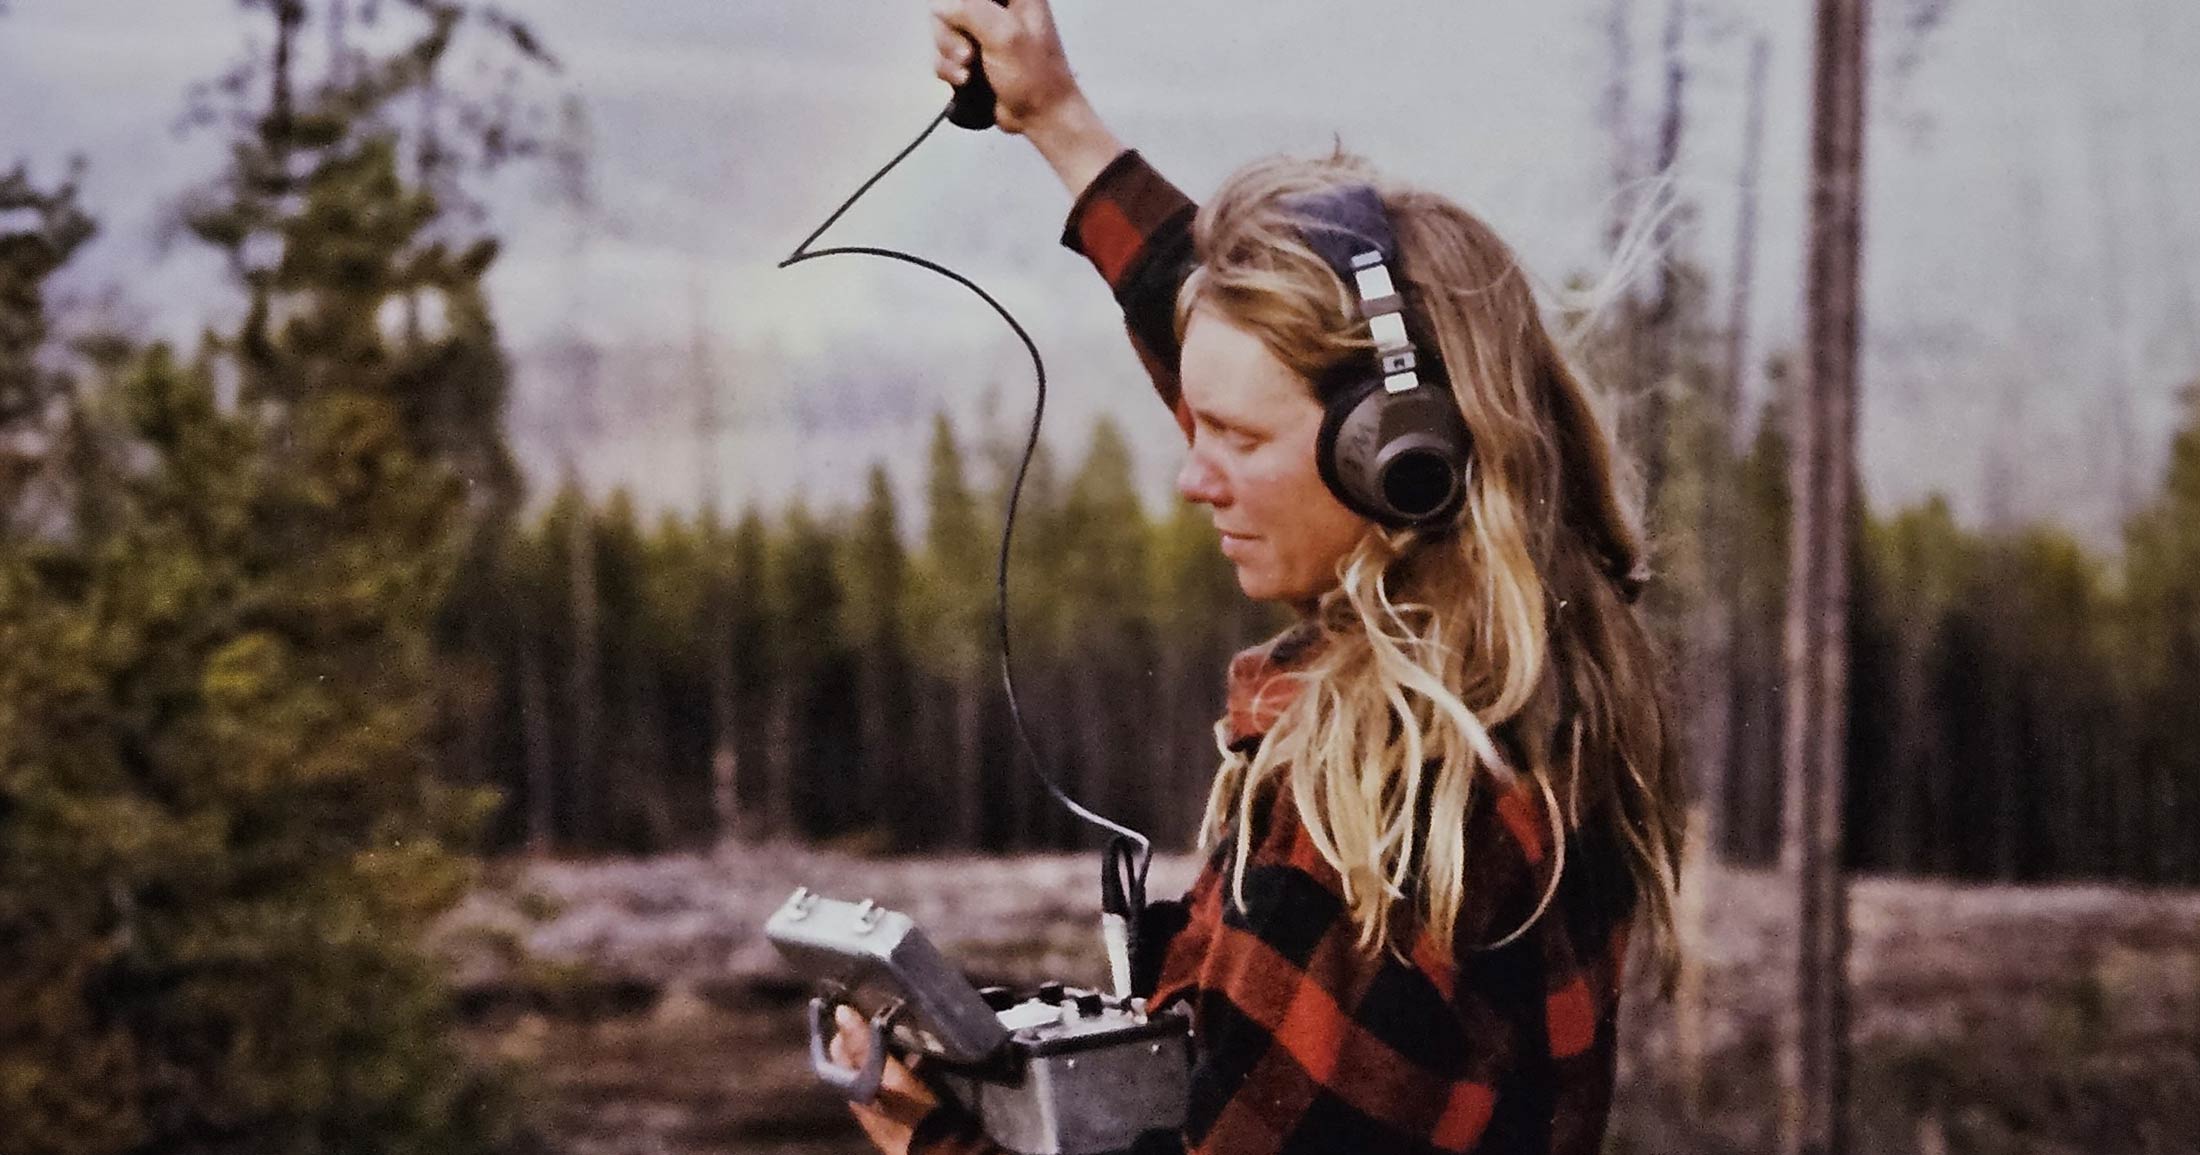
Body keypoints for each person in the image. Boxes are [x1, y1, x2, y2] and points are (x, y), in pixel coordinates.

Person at [828, 2, 1689, 1151]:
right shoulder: (1526, 643)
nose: (1194, 474)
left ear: (1395, 463)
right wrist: (1056, 119)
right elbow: (1219, 329)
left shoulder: (1374, 810)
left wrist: (935, 1139)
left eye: (1234, 439)